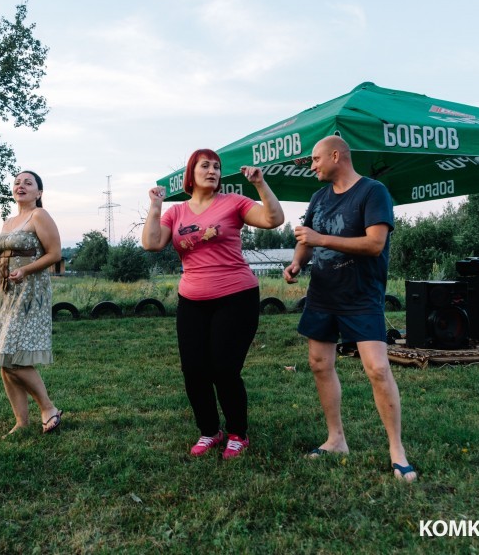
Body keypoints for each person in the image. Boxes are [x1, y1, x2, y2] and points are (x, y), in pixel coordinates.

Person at [283, 135, 416, 482]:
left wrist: (319, 239)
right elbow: (306, 242)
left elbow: (375, 244)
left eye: (315, 159)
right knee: (319, 364)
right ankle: (336, 439)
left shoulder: (373, 192)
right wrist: (297, 263)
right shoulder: (318, 198)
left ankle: (397, 450)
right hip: (323, 294)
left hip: (361, 296)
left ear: (336, 156)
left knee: (377, 368)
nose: (311, 166)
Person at [142, 149, 284, 459]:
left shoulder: (233, 203)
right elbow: (152, 243)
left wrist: (260, 184)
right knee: (194, 371)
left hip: (236, 297)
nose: (213, 171)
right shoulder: (176, 212)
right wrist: (155, 207)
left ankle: (237, 433)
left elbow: (274, 219)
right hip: (192, 300)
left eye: (217, 167)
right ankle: (210, 431)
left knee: (224, 369)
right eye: (205, 165)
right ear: (190, 173)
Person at [0, 170, 64, 437]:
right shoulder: (9, 222)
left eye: (28, 183)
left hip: (29, 293)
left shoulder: (40, 216)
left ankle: (48, 408)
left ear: (39, 192)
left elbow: (55, 254)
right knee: (4, 357)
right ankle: (21, 422)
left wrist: (26, 270)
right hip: (4, 294)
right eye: (17, 182)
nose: (20, 186)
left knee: (13, 356)